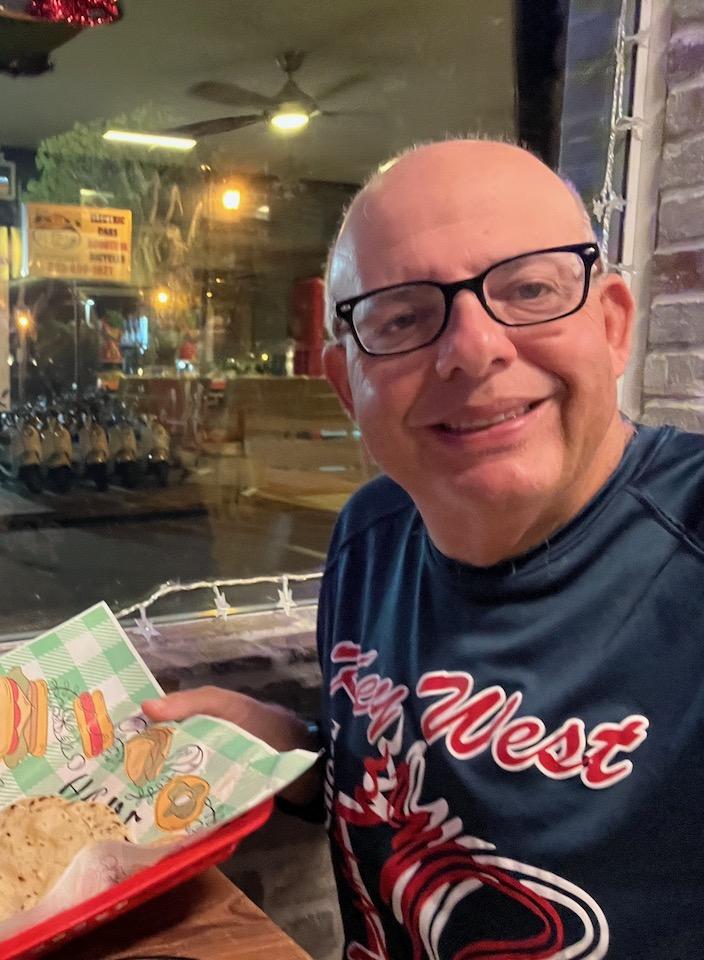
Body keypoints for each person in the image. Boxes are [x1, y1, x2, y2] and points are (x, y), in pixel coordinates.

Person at [145, 139, 702, 958]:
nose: (474, 348)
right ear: (346, 385)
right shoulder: (372, 536)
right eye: (404, 318)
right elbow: (397, 790)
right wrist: (290, 753)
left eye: (531, 289)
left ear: (613, 326)